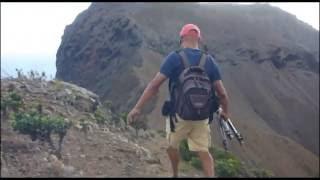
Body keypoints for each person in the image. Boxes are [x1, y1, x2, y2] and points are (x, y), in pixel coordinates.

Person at [127, 23, 230, 177]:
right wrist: (225, 113)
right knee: (204, 152)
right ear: (198, 40)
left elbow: (154, 86)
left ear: (182, 38)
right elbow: (222, 94)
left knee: (172, 147)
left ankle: (175, 174)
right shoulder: (209, 61)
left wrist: (137, 108)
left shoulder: (174, 57)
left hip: (178, 116)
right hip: (202, 117)